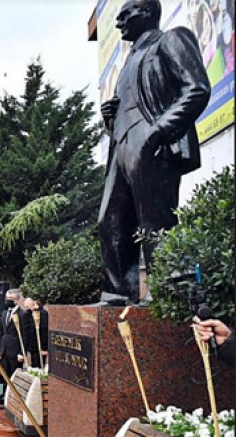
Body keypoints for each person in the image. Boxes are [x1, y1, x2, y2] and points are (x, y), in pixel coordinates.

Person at [99, 0, 212, 305]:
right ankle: (117, 295)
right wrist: (110, 116)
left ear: (147, 12)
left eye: (125, 15)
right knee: (110, 221)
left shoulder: (171, 39)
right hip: (121, 145)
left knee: (155, 220)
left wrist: (159, 130)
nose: (119, 22)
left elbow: (197, 88)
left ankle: (165, 296)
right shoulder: (128, 61)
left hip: (151, 140)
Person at [0, 289, 28, 379]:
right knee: (5, 376)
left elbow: (25, 336)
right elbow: (1, 332)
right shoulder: (4, 313)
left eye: (11, 298)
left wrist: (22, 353)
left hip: (15, 351)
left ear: (17, 300)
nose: (8, 300)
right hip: (4, 350)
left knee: (14, 377)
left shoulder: (23, 314)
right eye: (7, 298)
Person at [23, 298, 49, 368]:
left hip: (40, 346)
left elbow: (44, 331)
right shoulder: (29, 313)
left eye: (28, 306)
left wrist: (44, 348)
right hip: (33, 346)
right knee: (34, 366)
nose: (27, 308)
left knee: (39, 366)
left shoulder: (43, 313)